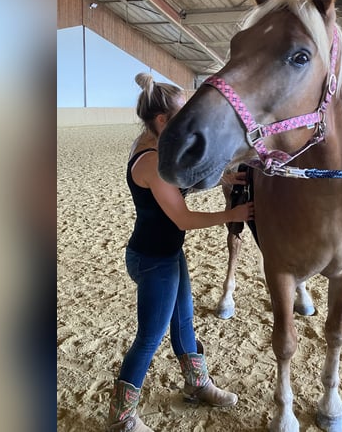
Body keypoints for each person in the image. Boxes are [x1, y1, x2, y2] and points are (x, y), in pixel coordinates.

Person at [106, 73, 254, 432]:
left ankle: (197, 383)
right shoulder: (151, 161)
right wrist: (231, 215)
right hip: (153, 260)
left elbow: (180, 180)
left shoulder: (153, 142)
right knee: (149, 337)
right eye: (181, 113)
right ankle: (121, 417)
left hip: (167, 254)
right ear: (162, 121)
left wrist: (221, 178)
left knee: (184, 321)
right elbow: (183, 217)